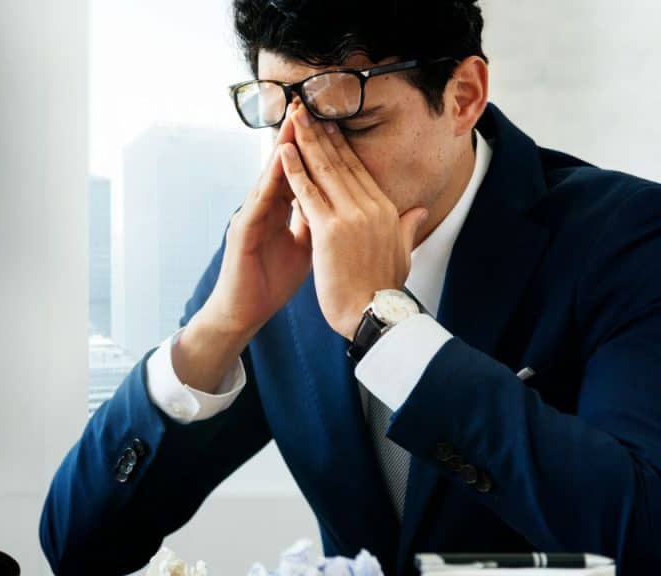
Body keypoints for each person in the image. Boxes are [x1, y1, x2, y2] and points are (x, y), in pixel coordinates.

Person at [40, 1, 661, 574]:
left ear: (463, 96)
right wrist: (217, 328)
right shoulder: (273, 256)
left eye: (355, 122)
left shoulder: (628, 236)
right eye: (282, 119)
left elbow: (641, 532)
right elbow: (79, 547)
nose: (305, 159)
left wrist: (386, 328)